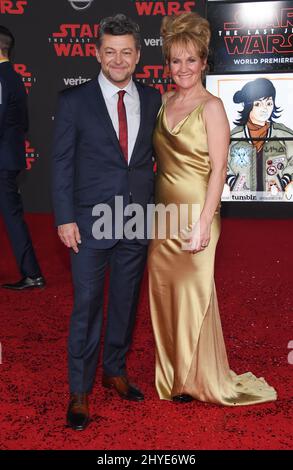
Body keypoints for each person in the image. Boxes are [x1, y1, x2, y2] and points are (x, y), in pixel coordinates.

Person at [148, 13, 277, 405]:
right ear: (167, 63)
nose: (182, 68)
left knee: (193, 293)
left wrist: (205, 221)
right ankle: (172, 374)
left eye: (191, 60)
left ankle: (195, 377)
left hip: (196, 215)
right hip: (163, 215)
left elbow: (220, 168)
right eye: (175, 60)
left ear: (204, 62)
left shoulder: (213, 107)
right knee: (164, 292)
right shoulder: (163, 100)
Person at [52, 14, 161, 430]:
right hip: (89, 221)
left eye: (126, 52)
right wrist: (64, 218)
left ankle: (114, 370)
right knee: (87, 306)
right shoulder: (73, 101)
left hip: (135, 217)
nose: (118, 59)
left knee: (126, 302)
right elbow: (61, 164)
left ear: (137, 56)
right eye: (110, 51)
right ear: (98, 53)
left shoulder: (152, 99)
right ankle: (79, 390)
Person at [0, 26, 45, 290]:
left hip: (2, 161)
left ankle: (32, 273)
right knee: (13, 215)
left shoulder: (2, 77)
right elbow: (23, 122)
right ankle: (32, 273)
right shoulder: (13, 77)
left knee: (13, 216)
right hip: (9, 157)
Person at [227, 77, 293, 193]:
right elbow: (218, 163)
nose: (265, 109)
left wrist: (285, 180)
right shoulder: (234, 137)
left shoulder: (283, 134)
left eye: (269, 103)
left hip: (277, 203)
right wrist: (232, 181)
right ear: (248, 106)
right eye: (258, 104)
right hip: (240, 202)